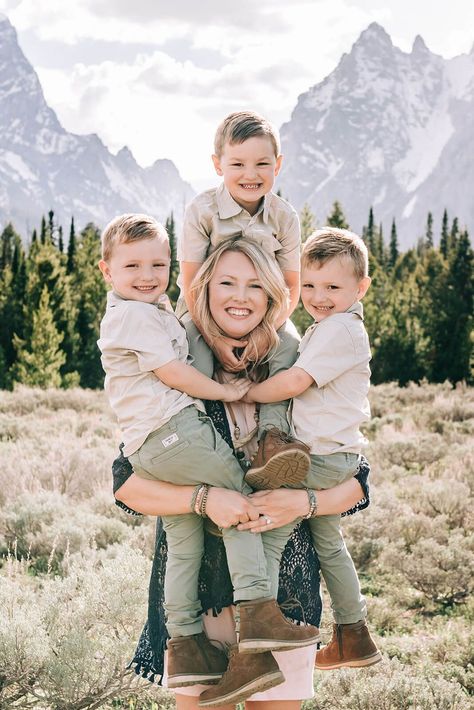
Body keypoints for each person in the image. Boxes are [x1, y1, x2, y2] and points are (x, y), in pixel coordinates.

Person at [113, 236, 372, 709]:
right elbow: (128, 484)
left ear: (273, 293)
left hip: (284, 599)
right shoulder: (174, 362)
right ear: (205, 288)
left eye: (256, 284)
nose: (240, 296)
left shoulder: (301, 364)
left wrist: (306, 503)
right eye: (227, 282)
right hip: (198, 600)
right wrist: (203, 500)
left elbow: (356, 481)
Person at [244, 227, 381, 670]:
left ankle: (260, 627)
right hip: (335, 454)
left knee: (270, 527)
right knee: (329, 545)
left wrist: (247, 392)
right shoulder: (332, 325)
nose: (319, 296)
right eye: (310, 286)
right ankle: (353, 634)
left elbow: (297, 381)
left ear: (360, 288)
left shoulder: (340, 329)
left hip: (318, 457)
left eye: (333, 287)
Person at [178, 110, 311, 486]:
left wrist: (264, 333)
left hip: (263, 316)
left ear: (278, 165)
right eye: (237, 163)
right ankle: (202, 443)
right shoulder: (202, 211)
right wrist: (217, 339)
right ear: (218, 165)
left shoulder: (284, 217)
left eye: (262, 164)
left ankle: (272, 440)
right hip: (202, 313)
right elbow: (190, 285)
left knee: (289, 348)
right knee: (189, 354)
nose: (250, 174)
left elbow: (290, 287)